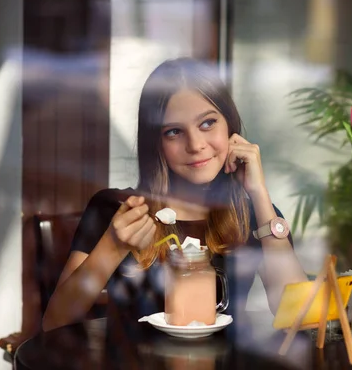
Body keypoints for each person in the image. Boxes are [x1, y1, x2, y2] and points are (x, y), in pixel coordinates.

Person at [42, 58, 307, 331]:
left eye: (207, 124)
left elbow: (299, 318)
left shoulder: (252, 214)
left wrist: (259, 194)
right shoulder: (117, 210)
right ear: (155, 142)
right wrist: (112, 246)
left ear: (230, 125)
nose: (195, 145)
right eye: (174, 132)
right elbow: (54, 322)